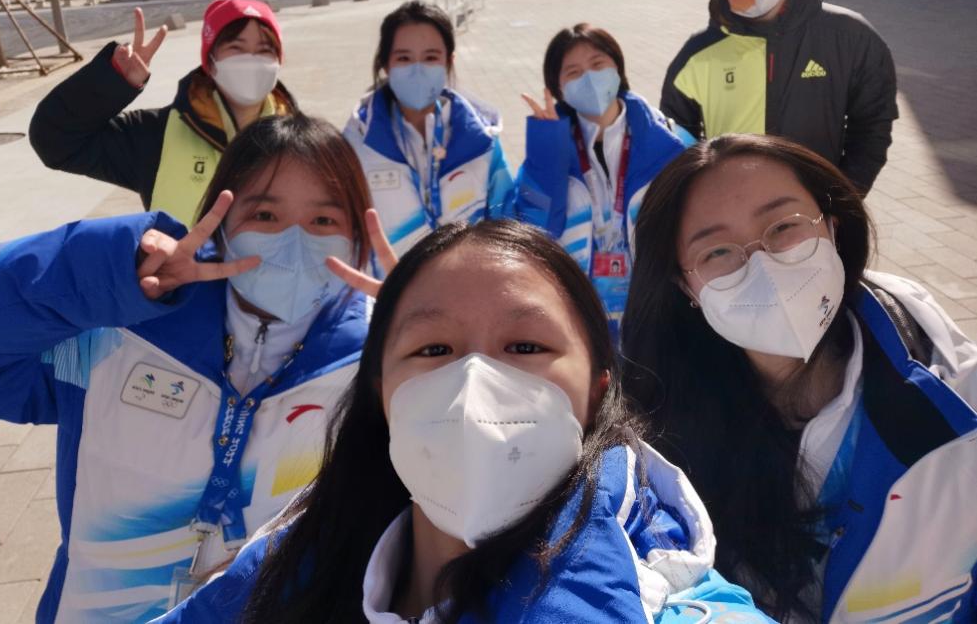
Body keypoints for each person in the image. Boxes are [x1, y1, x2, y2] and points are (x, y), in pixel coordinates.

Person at [156, 219, 775, 624]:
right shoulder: (281, 573)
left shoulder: (666, 600)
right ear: (382, 393)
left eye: (526, 347)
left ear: (596, 390)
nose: (475, 381)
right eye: (433, 349)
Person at [0, 115, 373, 622]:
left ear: (356, 235)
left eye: (323, 221)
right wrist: (108, 270)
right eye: (265, 215)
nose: (294, 243)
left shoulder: (379, 367)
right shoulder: (115, 336)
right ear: (220, 226)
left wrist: (430, 334)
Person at [622, 134, 977, 622]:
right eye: (718, 252)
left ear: (832, 227)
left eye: (784, 226)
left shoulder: (955, 401)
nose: (763, 266)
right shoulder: (655, 436)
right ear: (687, 286)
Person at [660, 0, 898, 196]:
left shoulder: (850, 38)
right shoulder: (697, 56)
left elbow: (872, 126)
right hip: (733, 211)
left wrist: (843, 200)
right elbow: (674, 143)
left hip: (816, 208)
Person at [29, 0, 299, 225]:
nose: (251, 60)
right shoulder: (155, 134)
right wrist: (113, 81)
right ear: (210, 61)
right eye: (236, 48)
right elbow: (54, 140)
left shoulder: (302, 142)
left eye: (264, 50)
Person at [516, 24, 693, 333]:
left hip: (657, 313)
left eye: (597, 65)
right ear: (558, 88)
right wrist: (547, 150)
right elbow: (535, 231)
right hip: (577, 315)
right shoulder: (547, 150)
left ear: (617, 68)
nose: (589, 78)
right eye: (573, 72)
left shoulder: (669, 141)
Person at [343, 0, 514, 261]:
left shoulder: (482, 142)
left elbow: (507, 222)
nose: (418, 70)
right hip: (389, 285)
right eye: (404, 58)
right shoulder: (356, 143)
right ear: (386, 65)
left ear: (449, 62)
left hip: (467, 283)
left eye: (431, 58)